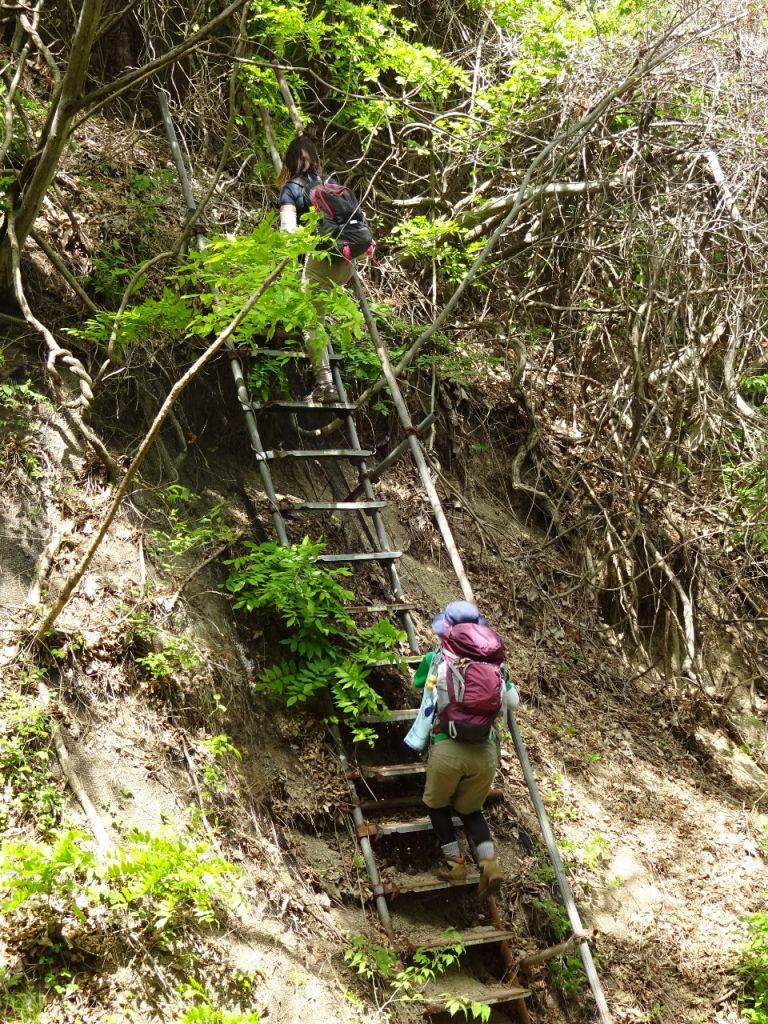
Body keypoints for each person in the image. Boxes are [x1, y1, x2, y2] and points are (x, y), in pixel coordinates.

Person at [412, 600, 516, 898]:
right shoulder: (498, 667)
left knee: (436, 805)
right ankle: (489, 862)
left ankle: (455, 864)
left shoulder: (437, 660)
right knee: (471, 809)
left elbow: (419, 684)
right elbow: (514, 702)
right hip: (485, 752)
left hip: (448, 746)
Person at [277, 134, 351, 404]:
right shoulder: (331, 185)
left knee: (311, 323)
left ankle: (325, 385)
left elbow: (288, 232)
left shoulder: (291, 188)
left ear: (289, 162)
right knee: (317, 313)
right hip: (347, 262)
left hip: (321, 261)